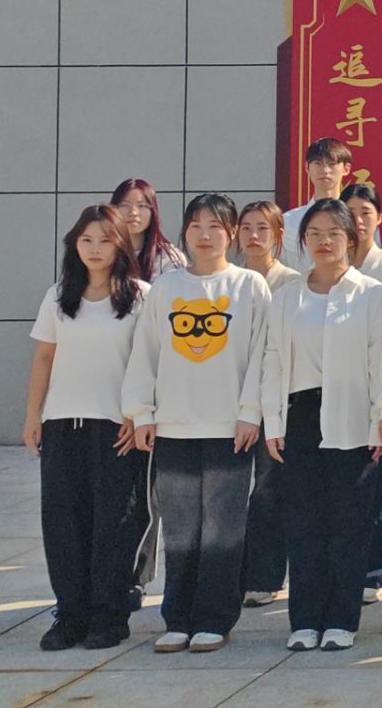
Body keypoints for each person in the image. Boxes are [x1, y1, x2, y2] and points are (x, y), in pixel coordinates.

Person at [123, 193, 273, 654]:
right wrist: (142, 413)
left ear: (231, 234)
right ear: (184, 232)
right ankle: (178, 617)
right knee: (181, 530)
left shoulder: (249, 286)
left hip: (230, 428)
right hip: (173, 426)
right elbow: (145, 353)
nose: (204, 235)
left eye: (215, 226)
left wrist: (250, 413)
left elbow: (264, 355)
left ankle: (214, 618)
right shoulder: (166, 288)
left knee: (223, 530)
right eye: (196, 226)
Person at [260, 200, 382, 652]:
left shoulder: (370, 293)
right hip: (300, 416)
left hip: (352, 414)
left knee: (349, 523)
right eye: (314, 233)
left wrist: (380, 418)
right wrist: (271, 420)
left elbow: (381, 360)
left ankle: (341, 620)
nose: (324, 242)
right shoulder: (287, 296)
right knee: (304, 523)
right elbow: (274, 358)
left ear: (350, 238)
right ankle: (304, 620)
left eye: (333, 233)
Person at [26, 205, 149, 651]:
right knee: (63, 522)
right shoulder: (59, 295)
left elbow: (148, 362)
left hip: (116, 428)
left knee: (114, 524)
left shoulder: (140, 297)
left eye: (105, 240)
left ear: (121, 245)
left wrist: (136, 414)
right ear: (74, 245)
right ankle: (70, 615)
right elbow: (44, 357)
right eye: (86, 240)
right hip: (62, 425)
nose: (95, 249)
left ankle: (109, 615)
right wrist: (33, 416)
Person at [339, 181, 382, 588]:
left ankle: (372, 571)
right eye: (351, 213)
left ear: (379, 217)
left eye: (366, 212)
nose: (359, 220)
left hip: (381, 382)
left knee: (378, 482)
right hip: (338, 386)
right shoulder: (329, 266)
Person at [236, 201, 300, 609]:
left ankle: (264, 575)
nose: (253, 236)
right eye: (246, 228)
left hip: (277, 399)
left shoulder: (292, 283)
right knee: (231, 491)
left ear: (278, 235)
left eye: (263, 228)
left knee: (268, 489)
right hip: (229, 398)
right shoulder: (229, 281)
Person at [284, 138, 354, 270]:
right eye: (318, 163)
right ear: (307, 167)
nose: (325, 170)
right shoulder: (288, 221)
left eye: (332, 164)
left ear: (346, 169)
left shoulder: (356, 218)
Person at [111, 178, 185, 283]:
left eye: (141, 206)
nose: (133, 212)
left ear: (153, 212)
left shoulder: (168, 257)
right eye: (125, 205)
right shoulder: (103, 252)